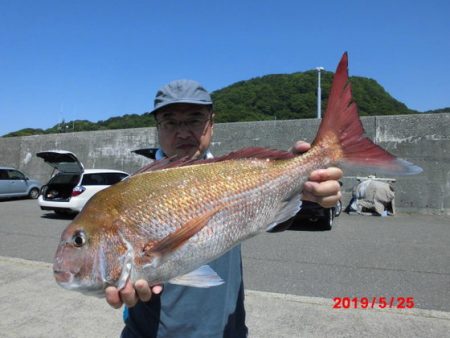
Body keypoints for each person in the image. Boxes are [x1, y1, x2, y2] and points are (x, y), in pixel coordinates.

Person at [106, 79, 343, 337]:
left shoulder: (233, 174)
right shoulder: (129, 195)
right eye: (170, 122)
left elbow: (274, 218)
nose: (183, 132)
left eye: (195, 119)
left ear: (212, 123)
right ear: (158, 128)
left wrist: (304, 188)